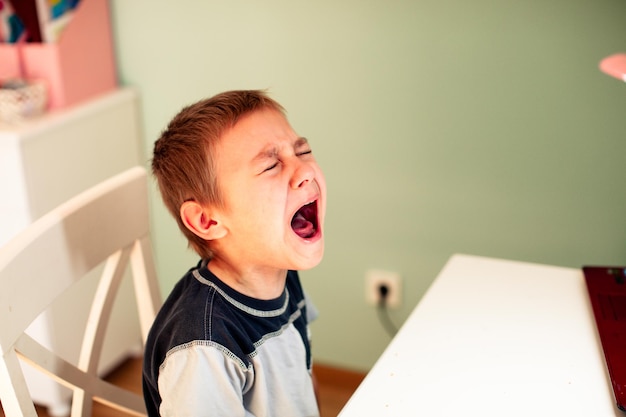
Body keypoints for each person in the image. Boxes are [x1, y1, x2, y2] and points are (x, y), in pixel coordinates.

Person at [142, 90, 327, 417]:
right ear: (207, 220)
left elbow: (303, 373)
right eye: (271, 165)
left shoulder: (281, 268)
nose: (305, 171)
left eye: (304, 151)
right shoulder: (204, 350)